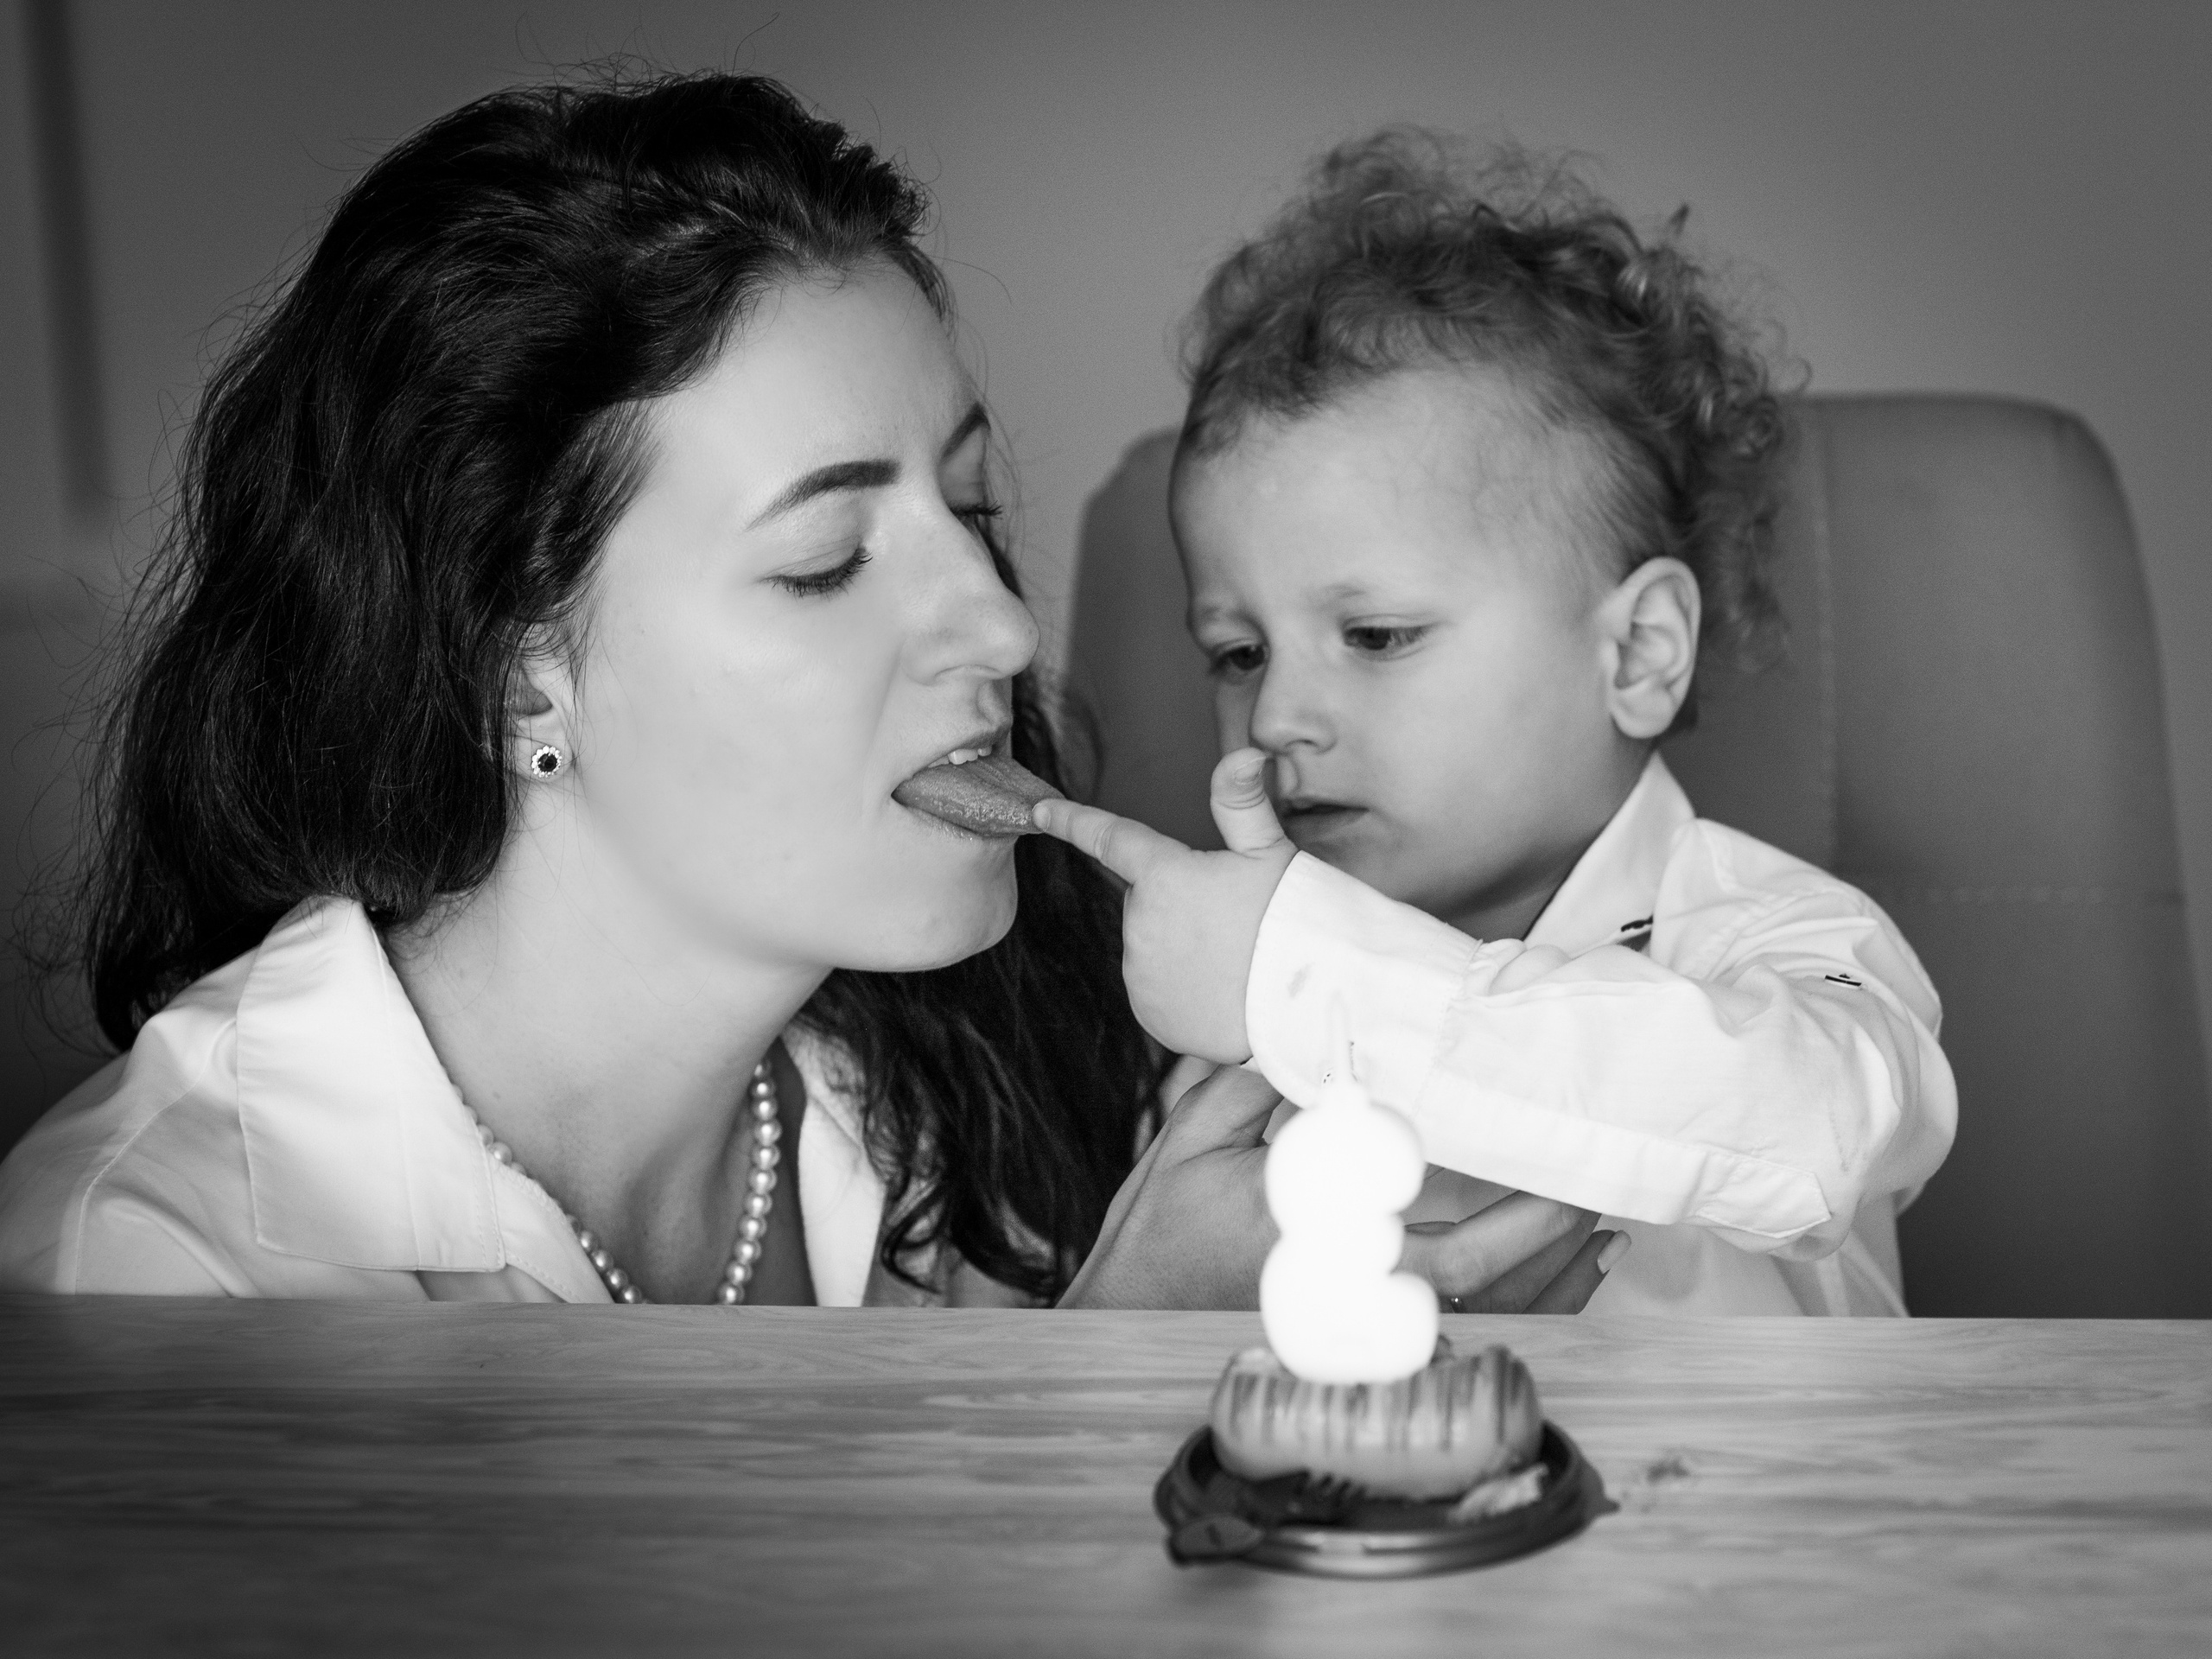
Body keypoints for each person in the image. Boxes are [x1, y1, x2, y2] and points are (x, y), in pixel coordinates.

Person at [0, 77, 1603, 1315]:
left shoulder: (969, 1089)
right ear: (512, 673)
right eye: (829, 557)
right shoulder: (146, 1276)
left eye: (971, 514)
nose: (994, 618)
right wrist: (1106, 1382)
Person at [1036, 131, 1958, 1316]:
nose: (1273, 714)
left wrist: (1313, 983)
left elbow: (1818, 1131)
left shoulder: (1779, 943)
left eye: (1375, 636)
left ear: (1636, 654)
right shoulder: (1233, 1033)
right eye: (1237, 651)